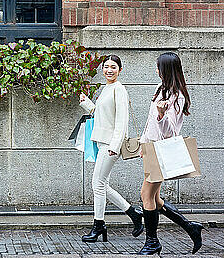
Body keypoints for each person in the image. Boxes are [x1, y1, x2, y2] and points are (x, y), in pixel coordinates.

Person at [137, 52, 203, 255]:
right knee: (154, 200)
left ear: (165, 69)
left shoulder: (177, 95)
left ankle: (152, 242)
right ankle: (191, 227)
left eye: (158, 67)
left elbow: (170, 131)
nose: (156, 70)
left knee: (146, 195)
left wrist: (161, 114)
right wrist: (143, 143)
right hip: (152, 149)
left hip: (161, 151)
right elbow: (150, 123)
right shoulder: (161, 89)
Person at [78, 55, 144, 243]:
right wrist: (86, 103)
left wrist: (115, 146)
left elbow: (122, 121)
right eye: (106, 67)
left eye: (113, 67)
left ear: (120, 70)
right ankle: (133, 214)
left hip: (110, 145)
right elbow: (100, 115)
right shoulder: (106, 89)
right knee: (103, 185)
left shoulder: (120, 90)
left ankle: (99, 225)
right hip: (101, 142)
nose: (109, 70)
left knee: (97, 183)